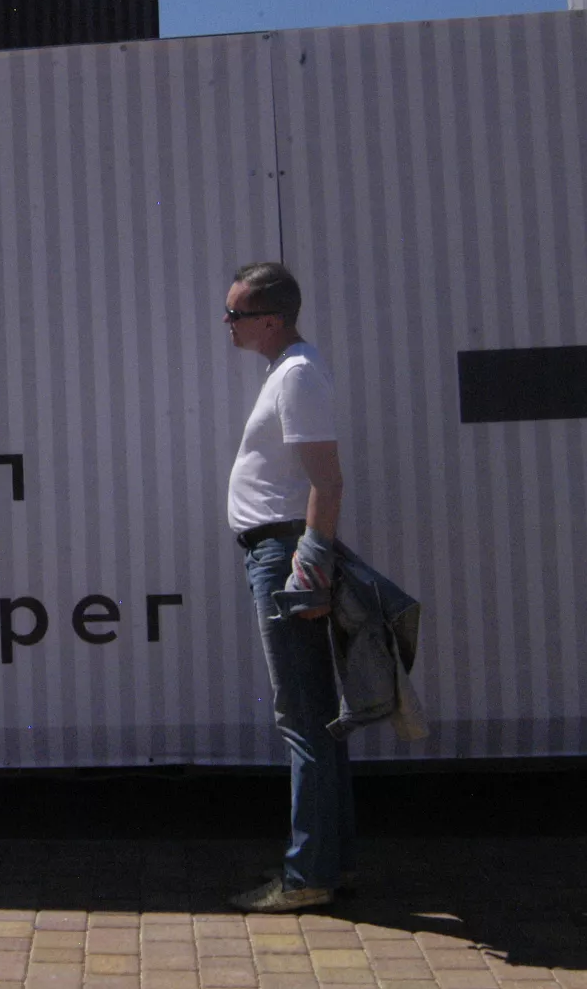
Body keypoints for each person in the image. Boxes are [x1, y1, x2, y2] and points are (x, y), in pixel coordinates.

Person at [221, 261, 353, 914]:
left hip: (284, 557)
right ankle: (326, 862)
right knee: (313, 715)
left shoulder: (297, 374)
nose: (228, 324)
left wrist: (310, 564)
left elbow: (327, 480)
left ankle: (308, 875)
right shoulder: (286, 370)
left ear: (271, 319)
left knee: (302, 716)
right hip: (278, 553)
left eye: (237, 313)